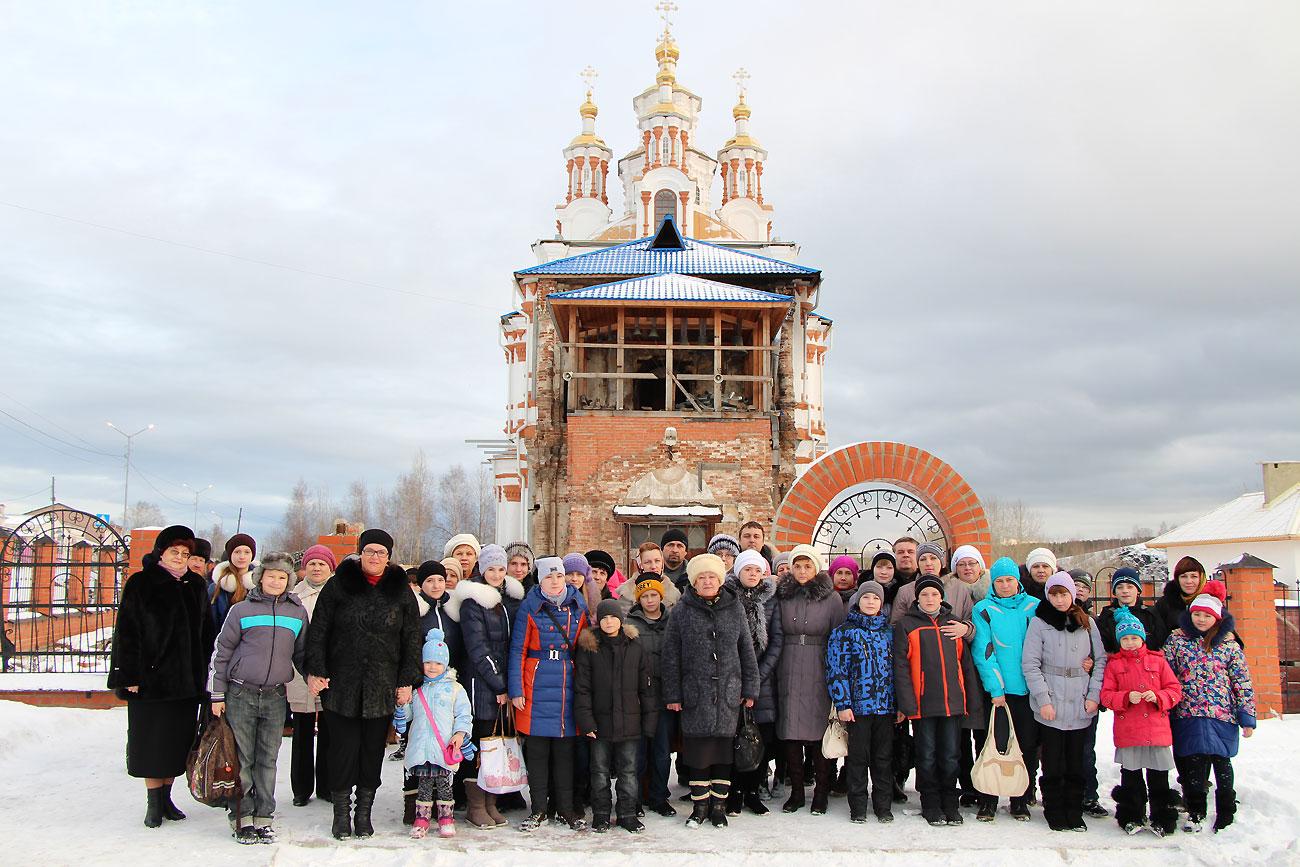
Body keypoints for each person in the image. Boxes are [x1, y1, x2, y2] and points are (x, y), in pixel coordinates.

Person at [305, 529, 422, 841]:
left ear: (388, 557)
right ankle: (341, 813)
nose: (375, 557)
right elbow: (319, 630)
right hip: (341, 682)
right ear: (360, 553)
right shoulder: (339, 584)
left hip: (382, 685)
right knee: (342, 750)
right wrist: (315, 670)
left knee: (372, 751)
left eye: (381, 553)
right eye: (369, 551)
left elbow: (412, 637)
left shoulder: (399, 589)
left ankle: (364, 813)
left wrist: (407, 680)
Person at [108, 525, 215, 828]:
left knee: (176, 742)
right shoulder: (142, 583)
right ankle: (153, 803)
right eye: (174, 552)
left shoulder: (195, 585)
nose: (180, 557)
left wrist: (206, 673)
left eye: (185, 553)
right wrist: (129, 674)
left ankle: (167, 798)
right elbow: (127, 631)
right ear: (161, 553)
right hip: (151, 681)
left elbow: (206, 633)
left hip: (186, 681)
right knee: (151, 742)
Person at [209, 552, 308, 843]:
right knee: (242, 758)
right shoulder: (242, 610)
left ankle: (264, 816)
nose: (276, 581)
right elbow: (222, 653)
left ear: (288, 581)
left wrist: (315, 677)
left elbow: (301, 654)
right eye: (271, 575)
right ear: (260, 577)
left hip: (276, 695)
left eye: (282, 577)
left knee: (268, 758)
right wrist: (217, 693)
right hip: (241, 692)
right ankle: (241, 816)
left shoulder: (297, 612)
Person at [661, 553, 759, 829]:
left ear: (720, 580)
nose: (707, 581)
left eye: (711, 577)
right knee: (698, 752)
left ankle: (719, 807)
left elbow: (746, 651)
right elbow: (671, 655)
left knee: (723, 753)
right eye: (701, 577)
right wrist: (673, 694)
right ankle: (699, 806)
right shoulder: (682, 609)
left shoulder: (734, 607)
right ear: (693, 582)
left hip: (729, 691)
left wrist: (750, 687)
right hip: (695, 693)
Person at [1163, 580, 1256, 833]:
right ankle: (1196, 812)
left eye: (1207, 615)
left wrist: (1247, 716)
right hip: (1187, 713)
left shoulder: (1229, 645)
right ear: (1190, 615)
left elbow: (1242, 681)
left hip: (1221, 715)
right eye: (1197, 614)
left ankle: (1226, 813)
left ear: (1217, 618)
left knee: (1222, 765)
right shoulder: (1177, 641)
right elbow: (1165, 674)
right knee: (1193, 769)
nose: (1201, 619)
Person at [445, 542, 525, 829]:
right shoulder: (472, 601)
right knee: (479, 744)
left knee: (497, 745)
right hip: (481, 683)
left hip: (504, 683)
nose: (497, 574)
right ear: (481, 568)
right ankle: (476, 804)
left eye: (501, 569)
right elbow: (477, 648)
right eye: (491, 568)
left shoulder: (511, 598)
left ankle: (491, 801)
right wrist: (500, 684)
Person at [894, 575, 982, 827]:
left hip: (952, 702)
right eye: (925, 595)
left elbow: (965, 664)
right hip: (923, 703)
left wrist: (970, 699)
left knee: (951, 755)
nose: (930, 599)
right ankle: (930, 802)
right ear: (917, 598)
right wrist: (906, 702)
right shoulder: (907, 625)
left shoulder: (953, 624)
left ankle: (949, 801)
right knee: (927, 754)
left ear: (941, 597)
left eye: (934, 594)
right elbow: (900, 666)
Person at [1021, 571, 1106, 832]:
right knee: (1053, 761)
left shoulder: (1087, 622)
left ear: (1072, 595)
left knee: (1076, 760)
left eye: (1064, 594)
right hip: (1053, 700)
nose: (1059, 600)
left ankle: (1074, 809)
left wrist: (1093, 696)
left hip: (1079, 700)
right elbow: (1031, 664)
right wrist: (1043, 700)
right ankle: (1055, 810)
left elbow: (1100, 660)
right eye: (1054, 594)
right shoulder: (1039, 622)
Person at [510, 555, 589, 831]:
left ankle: (566, 809)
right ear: (540, 580)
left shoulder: (578, 606)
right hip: (537, 684)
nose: (555, 582)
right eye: (548, 577)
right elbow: (518, 650)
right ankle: (539, 810)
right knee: (538, 755)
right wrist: (516, 689)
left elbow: (585, 647)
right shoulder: (529, 607)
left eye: (559, 576)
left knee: (566, 755)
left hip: (568, 686)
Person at [576, 599, 656, 833]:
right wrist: (587, 721)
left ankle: (627, 813)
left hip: (630, 722)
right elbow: (582, 688)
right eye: (604, 618)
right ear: (598, 621)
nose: (609, 622)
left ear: (620, 620)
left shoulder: (635, 647)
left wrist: (648, 721)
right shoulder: (589, 648)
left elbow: (646, 688)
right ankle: (601, 814)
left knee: (628, 771)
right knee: (599, 771)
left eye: (613, 617)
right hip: (600, 723)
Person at [1099, 610, 1182, 836]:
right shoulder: (1114, 665)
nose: (1130, 643)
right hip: (1129, 731)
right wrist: (1125, 698)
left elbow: (1175, 690)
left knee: (1158, 778)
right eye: (1125, 639)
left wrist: (1159, 698)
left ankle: (1162, 817)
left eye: (1134, 638)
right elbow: (1106, 696)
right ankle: (1131, 815)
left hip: (1156, 730)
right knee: (1131, 777)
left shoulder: (1158, 661)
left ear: (1142, 638)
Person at [970, 557, 1040, 822]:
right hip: (998, 693)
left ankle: (1020, 798)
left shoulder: (1034, 607)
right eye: (999, 581)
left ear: (1017, 581)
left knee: (1026, 746)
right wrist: (995, 688)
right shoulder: (984, 609)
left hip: (1028, 690)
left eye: (1009, 580)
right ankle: (987, 799)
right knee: (993, 744)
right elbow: (984, 651)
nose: (1005, 585)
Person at [776, 544, 844, 814]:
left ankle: (822, 791)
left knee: (819, 733)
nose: (802, 571)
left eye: (807, 566)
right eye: (797, 566)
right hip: (788, 664)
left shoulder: (831, 598)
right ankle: (796, 793)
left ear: (817, 568)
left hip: (819, 664)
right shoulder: (782, 595)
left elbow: (837, 636)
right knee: (790, 732)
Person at [826, 580, 896, 823]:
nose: (870, 602)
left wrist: (898, 705)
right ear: (858, 601)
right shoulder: (844, 632)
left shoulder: (889, 632)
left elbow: (896, 670)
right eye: (866, 598)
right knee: (857, 759)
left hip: (885, 707)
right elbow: (837, 670)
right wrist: (843, 703)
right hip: (857, 708)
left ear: (881, 603)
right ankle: (857, 806)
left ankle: (883, 806)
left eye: (875, 599)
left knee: (883, 758)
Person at [399, 628, 473, 840]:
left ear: (445, 664)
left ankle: (446, 819)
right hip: (422, 748)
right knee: (423, 787)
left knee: (444, 786)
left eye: (438, 663)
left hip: (443, 748)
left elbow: (463, 715)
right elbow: (407, 716)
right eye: (428, 662)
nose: (433, 667)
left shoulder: (455, 689)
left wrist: (460, 733)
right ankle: (421, 819)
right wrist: (402, 704)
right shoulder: (418, 689)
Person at [726, 549, 784, 816]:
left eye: (756, 570)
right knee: (735, 737)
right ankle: (735, 792)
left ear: (763, 573)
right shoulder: (728, 598)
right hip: (732, 679)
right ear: (738, 572)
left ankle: (753, 790)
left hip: (764, 680)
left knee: (760, 737)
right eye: (747, 569)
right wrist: (739, 676)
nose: (752, 574)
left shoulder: (772, 600)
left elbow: (777, 640)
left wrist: (757, 677)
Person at [286, 544, 336, 807]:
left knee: (329, 730)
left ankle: (327, 786)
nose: (317, 569)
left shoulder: (338, 593)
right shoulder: (293, 596)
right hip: (300, 670)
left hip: (330, 671)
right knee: (302, 730)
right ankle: (301, 788)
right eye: (312, 563)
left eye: (322, 564)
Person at [626, 575, 676, 817]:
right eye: (644, 596)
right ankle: (633, 798)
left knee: (662, 752)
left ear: (660, 596)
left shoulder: (672, 621)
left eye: (653, 595)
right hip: (639, 698)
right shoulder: (630, 624)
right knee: (637, 753)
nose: (649, 600)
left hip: (665, 696)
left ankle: (658, 796)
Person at [888, 542, 976, 627]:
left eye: (933, 558)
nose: (928, 563)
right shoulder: (905, 591)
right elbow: (896, 625)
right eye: (923, 559)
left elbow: (971, 620)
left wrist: (965, 629)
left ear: (943, 563)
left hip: (953, 641)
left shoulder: (958, 588)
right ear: (918, 564)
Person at [1097, 568, 1166, 653]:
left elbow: (1160, 643)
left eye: (1130, 587)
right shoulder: (1107, 615)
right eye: (1120, 587)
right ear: (1114, 592)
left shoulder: (1150, 614)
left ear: (1138, 590)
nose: (1125, 591)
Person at [209, 533, 257, 630]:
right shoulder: (216, 587)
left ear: (252, 555)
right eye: (237, 552)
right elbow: (210, 623)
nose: (242, 556)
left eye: (247, 552)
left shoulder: (259, 586)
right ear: (230, 554)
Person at [1154, 556, 1207, 642]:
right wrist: (1171, 634)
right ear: (1177, 579)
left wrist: (1229, 634)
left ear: (1201, 578)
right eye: (1183, 576)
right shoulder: (1165, 603)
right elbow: (1156, 634)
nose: (1188, 581)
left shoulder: (1211, 601)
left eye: (1194, 576)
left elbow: (1224, 625)